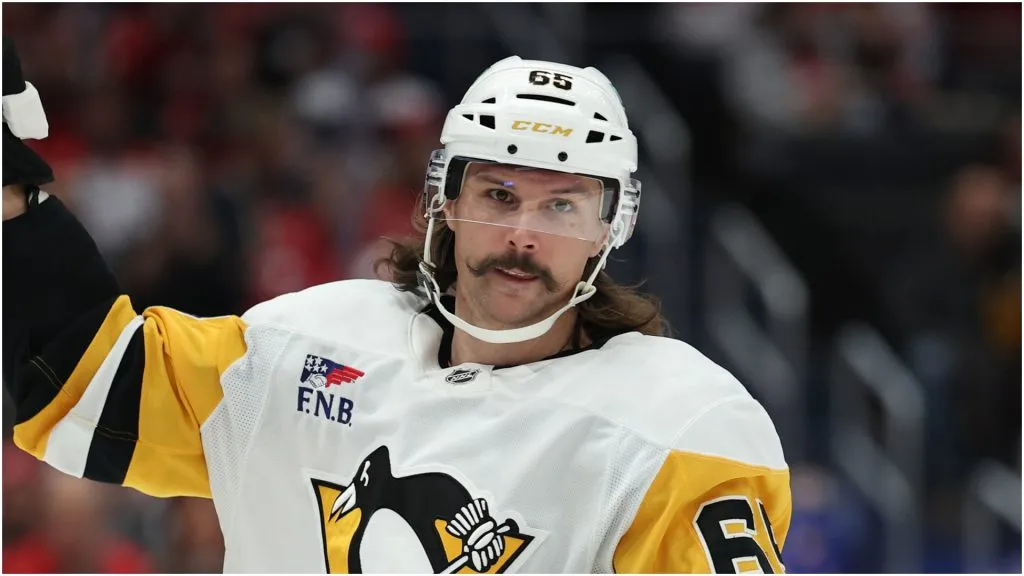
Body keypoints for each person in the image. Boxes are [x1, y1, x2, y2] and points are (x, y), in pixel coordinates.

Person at [3, 34, 791, 573]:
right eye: (499, 193)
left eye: (562, 206)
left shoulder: (679, 427)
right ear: (444, 200)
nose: (521, 235)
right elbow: (78, 379)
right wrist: (12, 194)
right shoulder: (305, 344)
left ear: (609, 228)